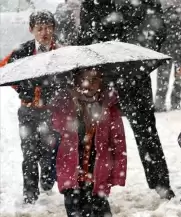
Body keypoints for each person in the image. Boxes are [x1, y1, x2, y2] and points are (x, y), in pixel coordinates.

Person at [78, 0, 175, 199]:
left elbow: (158, 30)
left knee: (146, 133)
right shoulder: (91, 3)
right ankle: (95, 184)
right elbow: (85, 37)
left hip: (135, 76)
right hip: (103, 79)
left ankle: (160, 183)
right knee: (96, 135)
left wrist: (136, 52)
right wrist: (104, 49)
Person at [1, 10, 60, 204]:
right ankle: (30, 193)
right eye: (39, 28)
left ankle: (47, 181)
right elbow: (4, 68)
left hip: (52, 112)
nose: (44, 32)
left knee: (49, 151)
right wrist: (22, 88)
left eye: (48, 27)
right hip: (28, 111)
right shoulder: (22, 51)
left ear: (54, 28)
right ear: (31, 30)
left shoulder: (60, 52)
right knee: (29, 153)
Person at [50, 68, 127, 217]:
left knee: (101, 211)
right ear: (77, 80)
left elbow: (118, 140)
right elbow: (55, 131)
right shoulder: (65, 103)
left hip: (98, 172)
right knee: (75, 211)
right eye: (85, 79)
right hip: (71, 172)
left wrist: (118, 171)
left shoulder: (108, 106)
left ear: (101, 82)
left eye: (94, 80)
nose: (89, 84)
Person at [154, 1, 181, 112]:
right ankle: (169, 102)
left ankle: (171, 101)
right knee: (167, 75)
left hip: (176, 45)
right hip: (172, 45)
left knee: (174, 75)